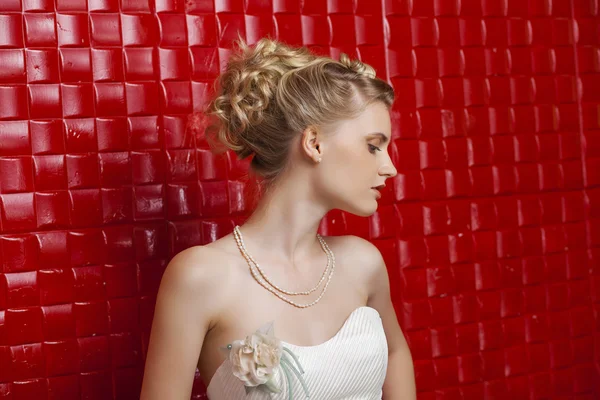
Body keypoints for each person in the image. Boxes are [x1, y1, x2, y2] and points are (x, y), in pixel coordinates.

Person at [140, 38, 416, 399]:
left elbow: (395, 352)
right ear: (314, 143)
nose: (389, 167)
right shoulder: (200, 277)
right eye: (373, 145)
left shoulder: (363, 264)